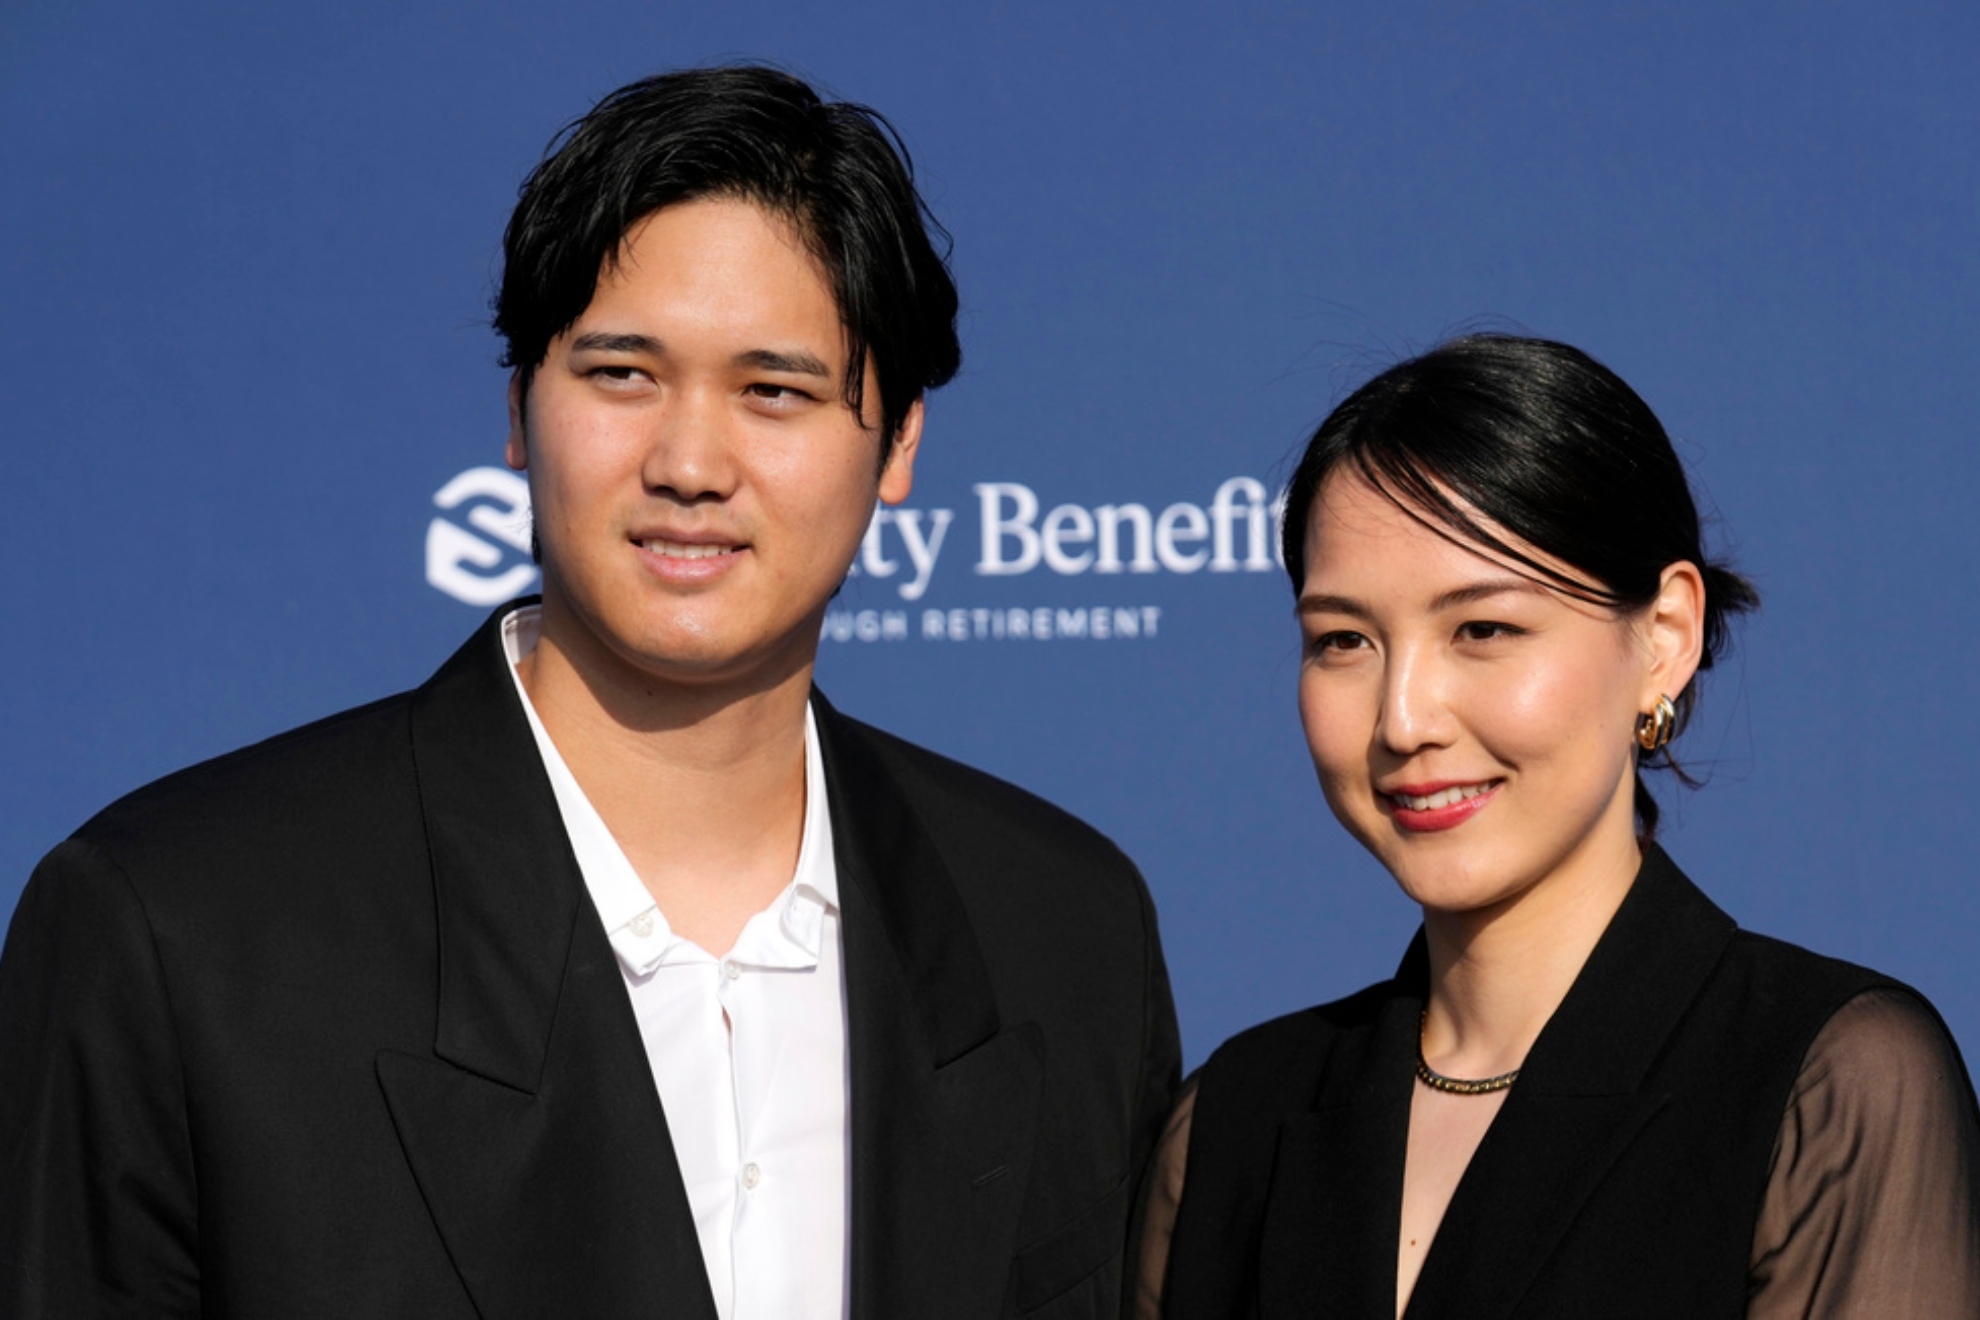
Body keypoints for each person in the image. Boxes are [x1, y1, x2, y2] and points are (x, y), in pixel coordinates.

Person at [0, 66, 1178, 1319]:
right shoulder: (178, 932)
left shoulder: (1058, 930)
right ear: (519, 410)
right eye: (621, 375)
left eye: (773, 391)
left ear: (897, 445)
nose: (688, 463)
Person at [1134, 334, 1980, 1317]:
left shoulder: (1823, 1080)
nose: (1404, 719)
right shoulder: (1235, 1120)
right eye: (1344, 641)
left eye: (1483, 629)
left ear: (1665, 639)